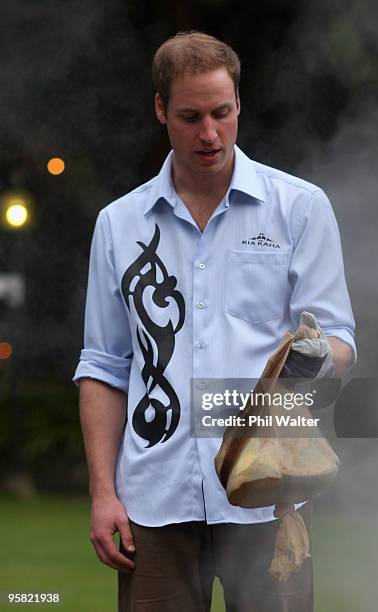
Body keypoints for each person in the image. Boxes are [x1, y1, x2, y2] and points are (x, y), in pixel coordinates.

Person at [73, 30, 356, 612]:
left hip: (269, 496)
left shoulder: (300, 207)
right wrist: (104, 494)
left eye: (222, 113)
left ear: (238, 105)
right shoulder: (118, 224)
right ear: (160, 111)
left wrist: (313, 357)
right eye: (191, 116)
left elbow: (341, 340)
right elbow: (103, 367)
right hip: (153, 502)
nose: (209, 133)